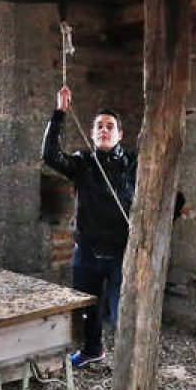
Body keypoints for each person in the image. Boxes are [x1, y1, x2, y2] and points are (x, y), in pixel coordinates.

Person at [41, 84, 137, 368]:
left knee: (122, 309)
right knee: (87, 307)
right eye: (99, 126)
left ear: (120, 134)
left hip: (121, 250)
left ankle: (128, 361)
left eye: (110, 126)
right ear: (93, 133)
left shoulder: (135, 163)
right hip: (88, 250)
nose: (104, 130)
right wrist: (60, 111)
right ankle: (92, 349)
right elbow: (49, 155)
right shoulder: (83, 162)